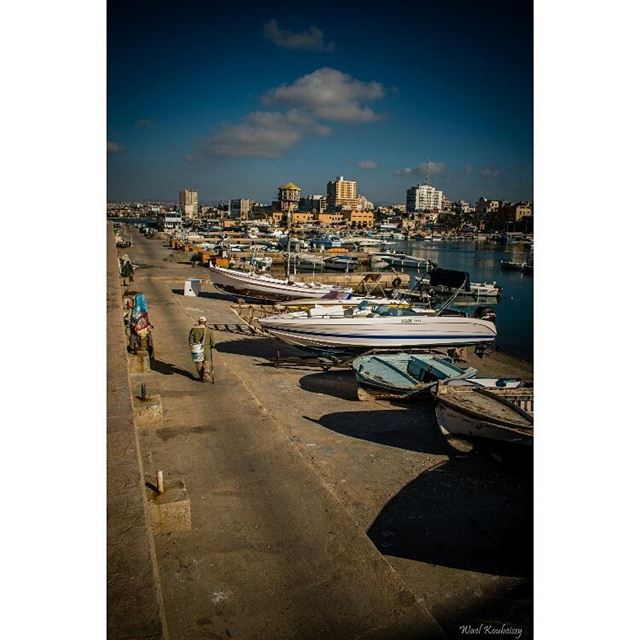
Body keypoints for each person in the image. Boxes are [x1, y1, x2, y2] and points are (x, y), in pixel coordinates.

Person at [188, 316, 215, 382]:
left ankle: (201, 376)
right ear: (205, 322)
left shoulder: (193, 329)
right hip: (205, 350)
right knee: (205, 362)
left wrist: (192, 346)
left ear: (198, 322)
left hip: (197, 349)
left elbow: (190, 339)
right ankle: (206, 375)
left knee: (198, 363)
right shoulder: (209, 331)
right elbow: (213, 343)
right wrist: (211, 346)